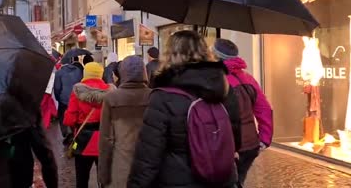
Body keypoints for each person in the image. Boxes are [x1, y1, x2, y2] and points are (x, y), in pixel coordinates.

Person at [127, 30, 239, 188]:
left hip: (177, 179)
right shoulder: (223, 89)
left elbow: (148, 155)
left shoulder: (162, 97)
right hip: (220, 179)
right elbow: (235, 137)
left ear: (170, 54)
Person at [212, 39, 273, 187]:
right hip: (250, 143)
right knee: (238, 180)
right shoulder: (248, 78)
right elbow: (264, 108)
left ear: (215, 56)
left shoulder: (216, 80)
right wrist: (264, 138)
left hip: (229, 145)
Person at [98, 56, 151, 188]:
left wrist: (103, 175)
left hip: (121, 167)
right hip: (148, 167)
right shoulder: (153, 96)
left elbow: (106, 140)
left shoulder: (112, 98)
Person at [64, 62, 115, 188]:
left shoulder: (77, 91)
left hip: (83, 141)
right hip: (105, 140)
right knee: (105, 180)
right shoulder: (111, 92)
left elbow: (69, 120)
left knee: (82, 179)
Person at [54, 56, 84, 144]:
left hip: (64, 99)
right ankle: (74, 132)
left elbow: (57, 88)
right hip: (76, 97)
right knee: (75, 115)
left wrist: (58, 98)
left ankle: (66, 133)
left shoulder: (59, 73)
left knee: (62, 116)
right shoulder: (78, 71)